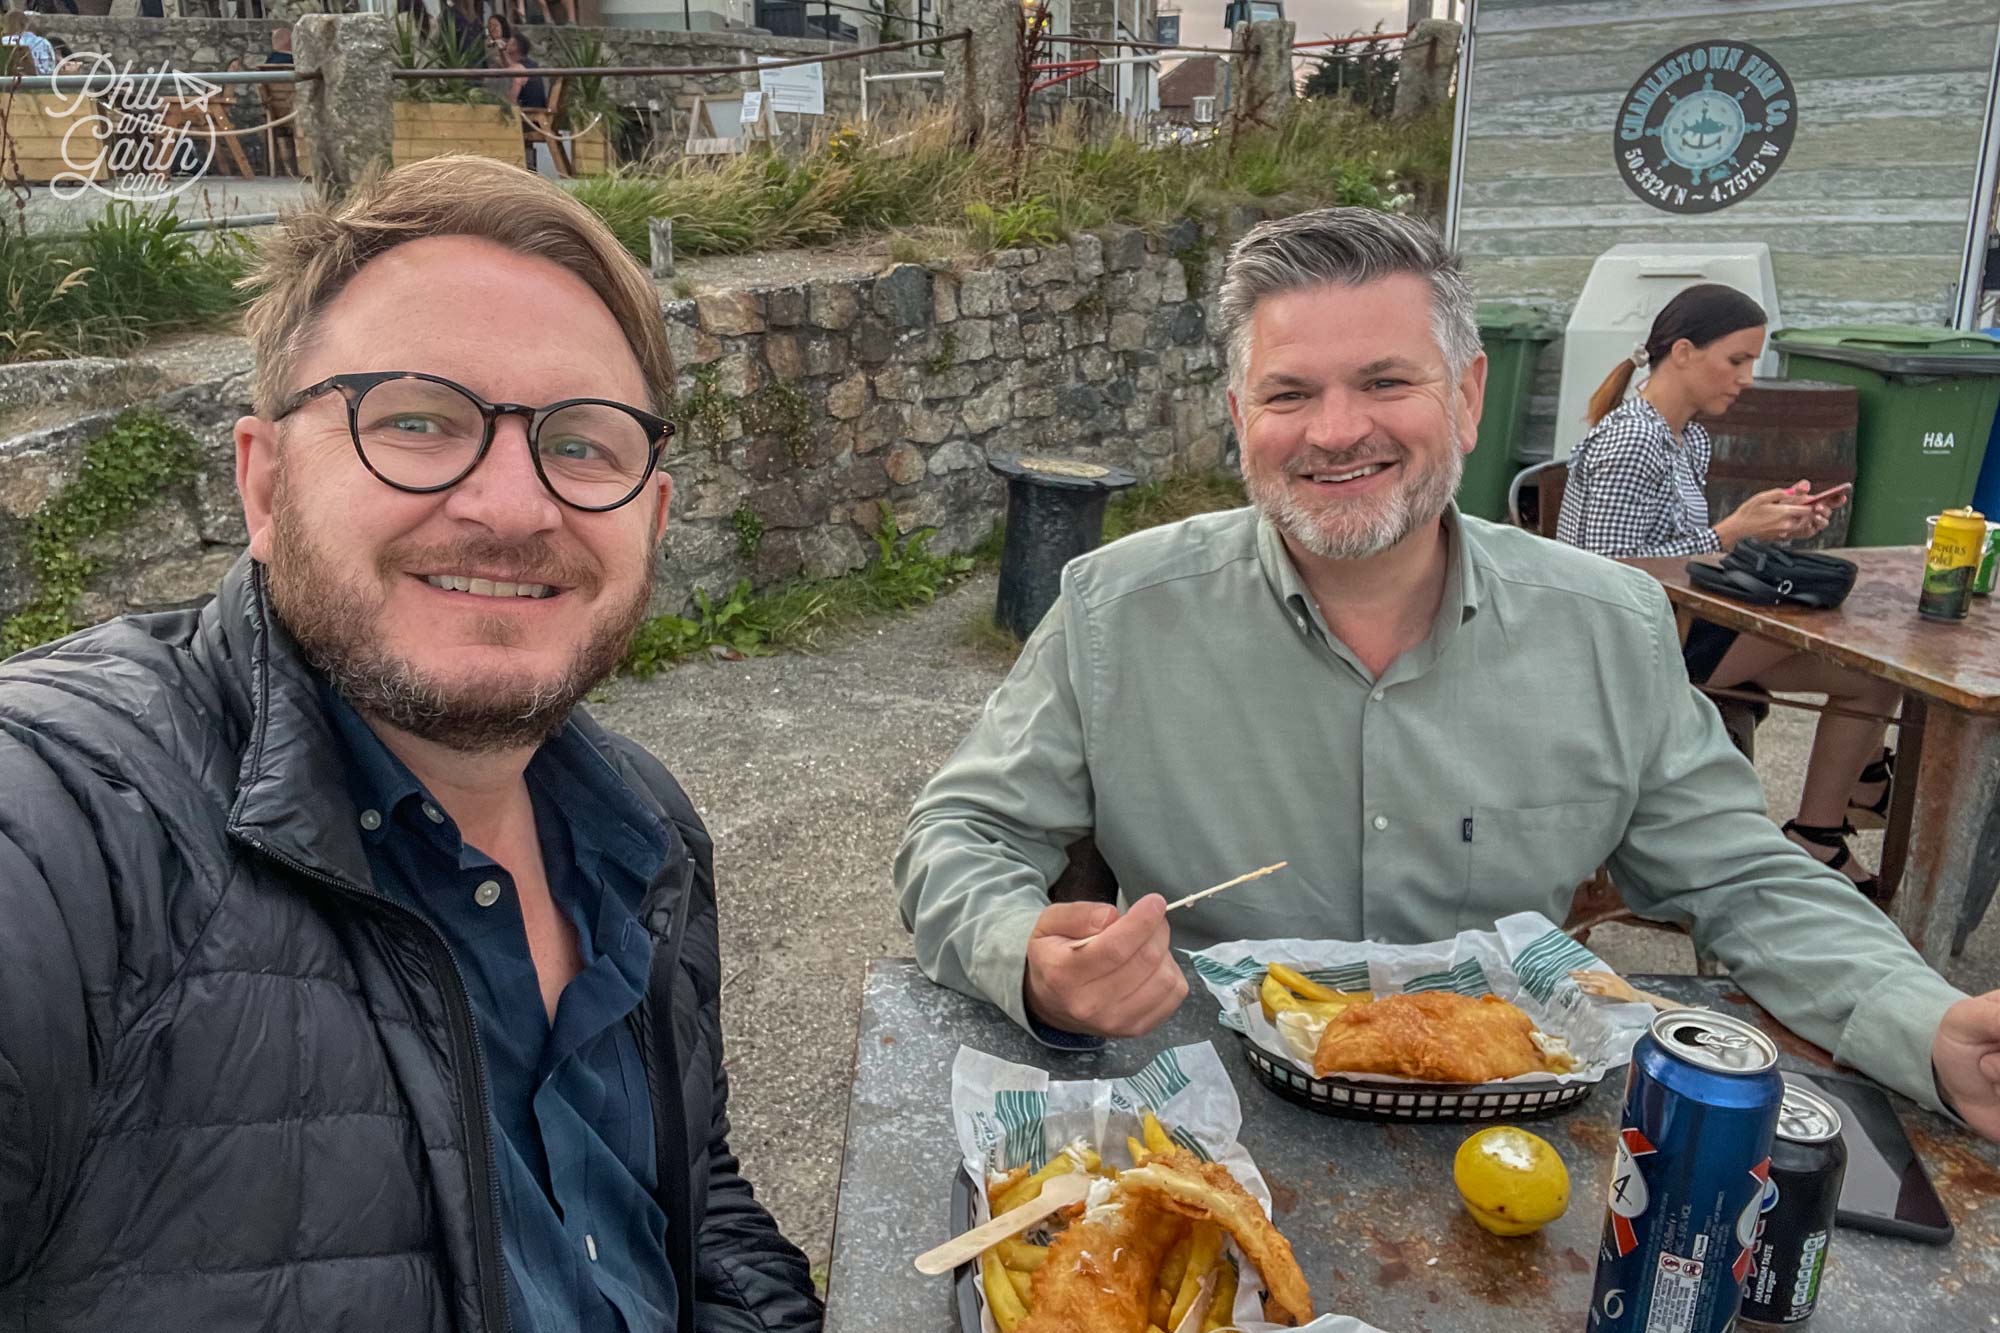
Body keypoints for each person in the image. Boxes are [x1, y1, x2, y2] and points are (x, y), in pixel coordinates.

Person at [894, 207, 2000, 1143]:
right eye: (1287, 395)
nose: (1335, 432)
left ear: (1466, 397)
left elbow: (1741, 881)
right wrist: (1029, 960)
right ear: (1239, 420)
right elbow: (959, 837)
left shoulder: (1607, 626)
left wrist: (1924, 1025)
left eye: (1384, 380)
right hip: (1207, 1127)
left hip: (1514, 1141)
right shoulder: (1112, 611)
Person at [0, 156, 821, 1333]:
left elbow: (688, 1210)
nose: (512, 506)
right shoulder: (68, 827)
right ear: (265, 483)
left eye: (582, 444)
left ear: (652, 514)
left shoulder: (644, 833)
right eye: (418, 421)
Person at [1556, 284, 1901, 896]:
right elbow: (1600, 567)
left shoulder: (1687, 437)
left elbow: (1684, 544)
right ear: (1684, 352)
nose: (1747, 377)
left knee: (1871, 675)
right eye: (1737, 360)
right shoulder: (1633, 439)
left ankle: (1818, 836)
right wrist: (1735, 529)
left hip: (1678, 623)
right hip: (1621, 643)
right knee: (1849, 635)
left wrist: (1772, 522)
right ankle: (1869, 785)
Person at [1, 8, 58, 75]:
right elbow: (50, 69)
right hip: (43, 82)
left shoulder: (4, 42)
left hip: (9, 81)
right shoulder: (44, 42)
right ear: (27, 23)